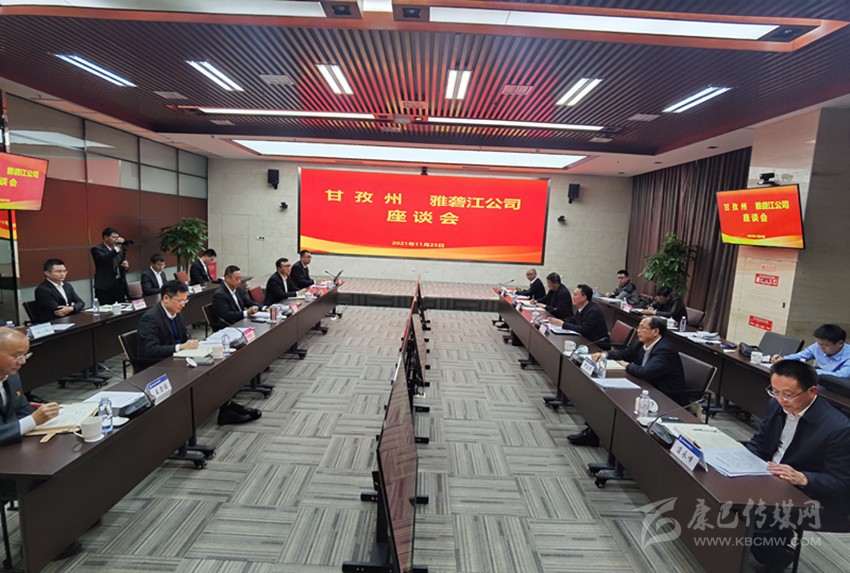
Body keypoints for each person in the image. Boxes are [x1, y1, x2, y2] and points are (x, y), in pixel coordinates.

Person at [746, 360, 850, 569]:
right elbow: (759, 442)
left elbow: (841, 482)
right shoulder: (775, 405)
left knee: (761, 511)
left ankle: (779, 556)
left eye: (788, 394)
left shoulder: (838, 428)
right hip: (769, 474)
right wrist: (742, 461)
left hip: (807, 491)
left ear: (812, 391)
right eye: (775, 391)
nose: (781, 399)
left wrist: (803, 478)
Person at [136, 281, 259, 425]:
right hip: (158, 366)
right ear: (166, 298)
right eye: (180, 301)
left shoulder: (176, 313)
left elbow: (183, 337)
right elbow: (149, 350)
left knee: (215, 369)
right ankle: (224, 408)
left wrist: (191, 344)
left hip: (180, 359)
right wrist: (180, 347)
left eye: (185, 300)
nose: (183, 304)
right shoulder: (151, 318)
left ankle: (226, 407)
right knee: (203, 376)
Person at [569, 316, 685, 446]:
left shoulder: (665, 350)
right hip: (645, 386)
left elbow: (645, 372)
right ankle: (593, 432)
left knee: (614, 397)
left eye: (642, 327)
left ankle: (614, 442)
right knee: (605, 393)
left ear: (655, 331)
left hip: (663, 397)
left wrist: (626, 365)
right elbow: (625, 353)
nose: (638, 330)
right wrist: (605, 355)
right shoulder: (642, 342)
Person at [0, 328, 60, 446]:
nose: (23, 362)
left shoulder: (12, 377)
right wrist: (33, 420)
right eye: (17, 356)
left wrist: (46, 413)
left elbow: (22, 409)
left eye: (25, 355)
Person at [771, 324, 850, 378]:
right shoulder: (817, 346)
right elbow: (800, 356)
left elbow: (842, 376)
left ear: (840, 343)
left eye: (825, 345)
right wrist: (783, 360)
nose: (820, 348)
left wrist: (812, 371)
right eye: (819, 344)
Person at [549, 284, 610, 350]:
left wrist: (563, 324)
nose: (572, 297)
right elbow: (573, 319)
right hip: (585, 341)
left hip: (597, 346)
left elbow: (583, 330)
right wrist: (557, 321)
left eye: (575, 295)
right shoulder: (581, 307)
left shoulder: (593, 311)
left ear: (584, 297)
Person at [32, 258, 86, 324]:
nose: (62, 274)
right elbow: (59, 311)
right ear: (47, 273)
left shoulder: (67, 286)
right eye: (58, 272)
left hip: (69, 319)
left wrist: (71, 308)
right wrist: (73, 307)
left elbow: (81, 303)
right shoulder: (42, 290)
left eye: (64, 271)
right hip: (53, 322)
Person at [212, 265, 263, 329]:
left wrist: (263, 308)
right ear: (227, 278)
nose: (239, 281)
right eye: (236, 279)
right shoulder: (219, 294)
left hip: (241, 321)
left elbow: (249, 303)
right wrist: (246, 312)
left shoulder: (238, 290)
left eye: (240, 278)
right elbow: (227, 315)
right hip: (230, 326)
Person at [91, 227, 129, 304]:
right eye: (113, 237)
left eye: (117, 237)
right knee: (106, 308)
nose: (116, 240)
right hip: (105, 285)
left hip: (119, 284)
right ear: (105, 237)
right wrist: (116, 248)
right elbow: (104, 259)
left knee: (122, 306)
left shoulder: (119, 250)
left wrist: (126, 266)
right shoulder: (97, 249)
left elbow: (121, 264)